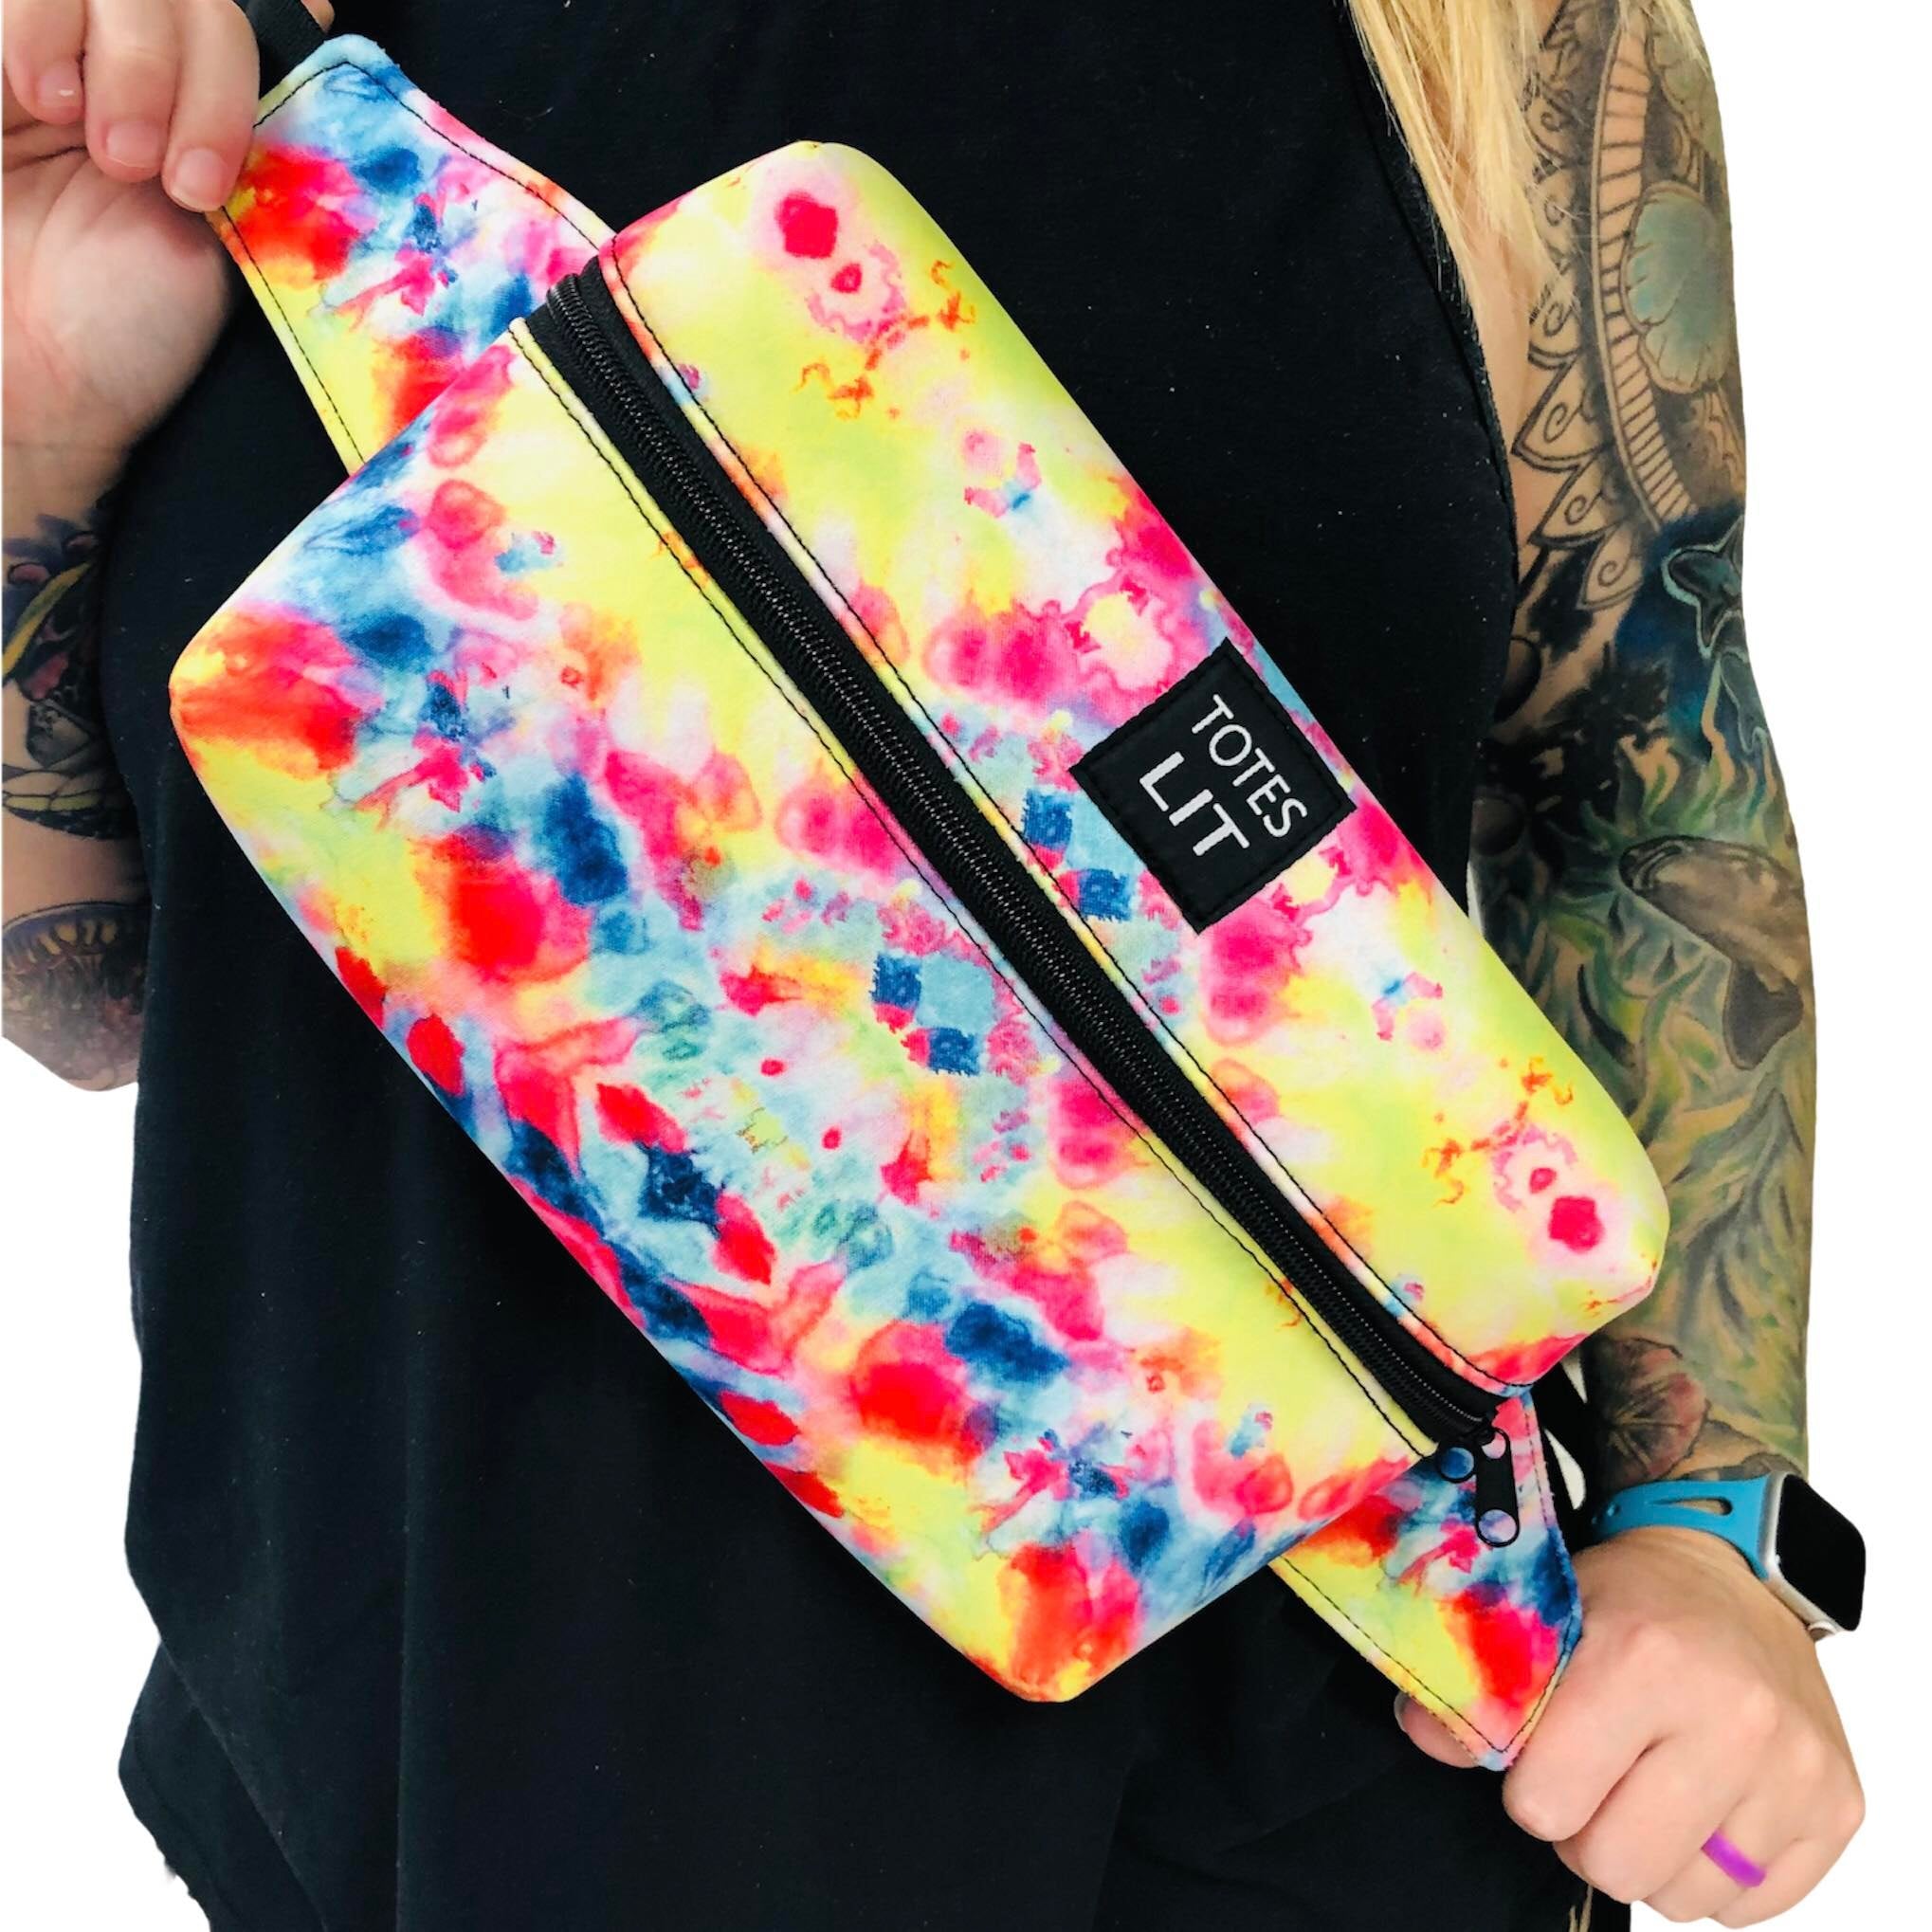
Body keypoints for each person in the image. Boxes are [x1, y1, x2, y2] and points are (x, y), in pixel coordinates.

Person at [1, 1, 1863, 1925]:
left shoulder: (1488, 40)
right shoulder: (187, 56)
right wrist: (30, 426)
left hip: (1277, 1820)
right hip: (429, 1798)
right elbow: (119, 999)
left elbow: (1638, 787)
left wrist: (1710, 1531)